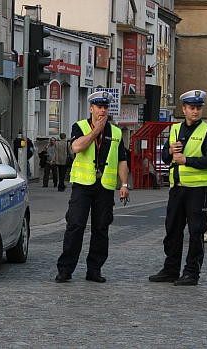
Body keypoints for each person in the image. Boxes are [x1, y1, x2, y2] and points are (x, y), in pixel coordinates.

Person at [55, 91, 129, 283]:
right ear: (91, 109)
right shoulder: (79, 126)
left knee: (101, 229)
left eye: (105, 107)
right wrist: (95, 131)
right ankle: (65, 269)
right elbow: (77, 147)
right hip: (82, 186)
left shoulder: (116, 132)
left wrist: (125, 184)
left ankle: (94, 270)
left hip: (105, 187)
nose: (102, 110)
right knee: (75, 226)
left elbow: (122, 160)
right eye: (99, 107)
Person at [149, 90, 207, 286]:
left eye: (198, 108)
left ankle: (191, 272)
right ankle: (171, 269)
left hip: (198, 189)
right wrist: (170, 151)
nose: (195, 111)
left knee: (196, 232)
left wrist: (187, 160)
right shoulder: (174, 130)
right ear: (184, 109)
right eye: (192, 108)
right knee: (172, 230)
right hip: (177, 188)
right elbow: (165, 157)